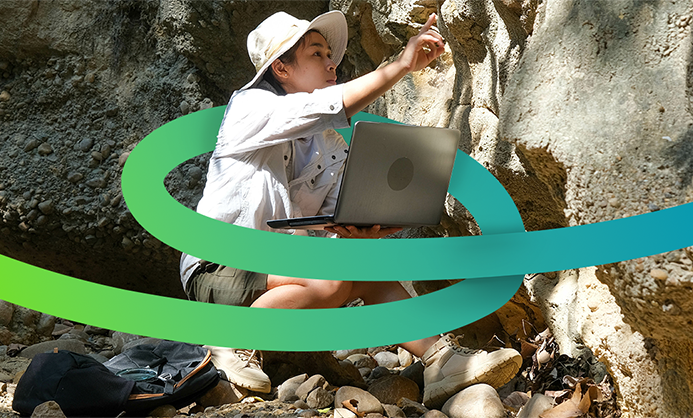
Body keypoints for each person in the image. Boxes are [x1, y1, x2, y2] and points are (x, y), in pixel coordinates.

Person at [179, 10, 522, 408]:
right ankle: (232, 341)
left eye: (330, 54)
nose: (331, 63)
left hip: (277, 270)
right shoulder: (249, 106)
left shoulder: (326, 142)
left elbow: (339, 214)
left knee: (362, 264)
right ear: (281, 68)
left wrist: (371, 225)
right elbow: (331, 105)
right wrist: (402, 65)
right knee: (332, 277)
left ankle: (439, 361)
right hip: (219, 268)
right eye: (316, 54)